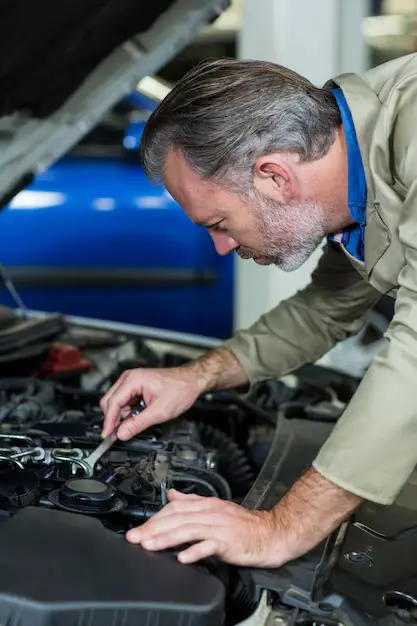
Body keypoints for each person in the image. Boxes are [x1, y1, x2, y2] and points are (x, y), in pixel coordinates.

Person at [101, 54, 417, 568]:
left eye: (219, 221)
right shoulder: (356, 173)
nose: (222, 247)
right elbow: (327, 308)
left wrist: (283, 526)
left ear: (274, 177)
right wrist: (197, 377)